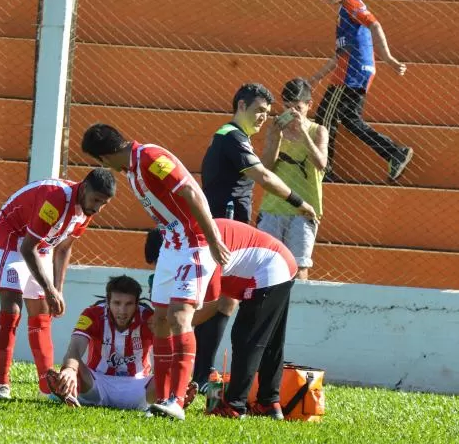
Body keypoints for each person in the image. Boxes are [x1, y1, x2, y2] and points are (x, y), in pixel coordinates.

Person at [81, 123, 230, 421]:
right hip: (171, 248)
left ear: (104, 156)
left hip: (194, 245)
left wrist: (213, 240)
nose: (103, 166)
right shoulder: (133, 171)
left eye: (99, 160)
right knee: (159, 321)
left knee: (179, 317)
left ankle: (177, 399)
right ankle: (161, 398)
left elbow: (189, 190)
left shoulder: (149, 157)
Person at [194, 82, 317, 392]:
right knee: (219, 301)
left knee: (225, 302)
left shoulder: (232, 137)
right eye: (258, 110)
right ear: (240, 107)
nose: (263, 117)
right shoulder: (232, 138)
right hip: (226, 227)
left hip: (227, 226)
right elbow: (262, 175)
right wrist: (299, 202)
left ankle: (203, 374)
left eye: (267, 112)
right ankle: (201, 374)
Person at [146, 219, 299, 420]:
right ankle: (269, 403)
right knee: (270, 341)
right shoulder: (191, 241)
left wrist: (179, 327)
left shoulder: (199, 251)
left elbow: (213, 306)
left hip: (271, 266)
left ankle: (235, 405)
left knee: (247, 338)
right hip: (278, 263)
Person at [0, 168, 116, 400]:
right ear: (85, 188)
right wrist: (48, 289)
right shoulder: (57, 200)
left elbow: (64, 247)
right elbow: (27, 248)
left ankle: (47, 387)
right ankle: (2, 384)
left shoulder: (86, 210)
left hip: (41, 244)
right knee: (13, 308)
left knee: (43, 312)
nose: (98, 208)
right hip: (12, 236)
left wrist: (57, 290)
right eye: (97, 200)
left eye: (104, 204)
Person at [46, 275, 194, 414]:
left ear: (137, 303)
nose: (122, 311)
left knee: (168, 372)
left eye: (129, 304)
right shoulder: (92, 314)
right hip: (97, 383)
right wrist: (70, 369)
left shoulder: (150, 319)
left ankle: (172, 396)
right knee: (74, 366)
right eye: (117, 303)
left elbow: (166, 357)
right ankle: (68, 388)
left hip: (139, 388)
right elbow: (75, 350)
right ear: (108, 300)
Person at [308, 0, 412, 182]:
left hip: (350, 72)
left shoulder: (350, 3)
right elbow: (339, 55)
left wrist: (388, 58)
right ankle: (395, 152)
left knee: (324, 117)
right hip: (354, 70)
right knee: (350, 119)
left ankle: (325, 171)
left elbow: (375, 25)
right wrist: (316, 77)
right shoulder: (343, 12)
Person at [260, 78, 329, 281]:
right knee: (266, 263)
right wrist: (275, 137)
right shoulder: (277, 129)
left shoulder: (318, 131)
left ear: (309, 105)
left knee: (299, 267)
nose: (292, 112)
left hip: (304, 209)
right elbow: (266, 168)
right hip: (273, 207)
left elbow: (321, 164)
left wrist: (303, 133)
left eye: (297, 107)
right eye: (288, 107)